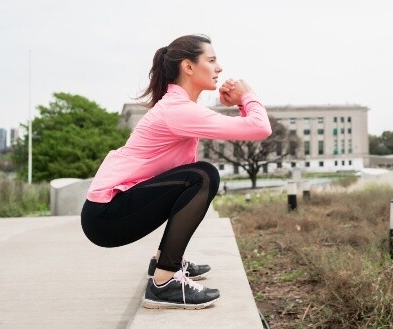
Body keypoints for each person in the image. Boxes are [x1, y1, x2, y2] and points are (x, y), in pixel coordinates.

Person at [80, 34, 272, 310]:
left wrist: (240, 104)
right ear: (189, 67)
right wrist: (247, 96)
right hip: (106, 215)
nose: (219, 68)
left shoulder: (181, 108)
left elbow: (248, 128)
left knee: (194, 175)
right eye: (212, 60)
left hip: (108, 212)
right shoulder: (178, 110)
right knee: (203, 176)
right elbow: (259, 128)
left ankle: (164, 262)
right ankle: (163, 284)